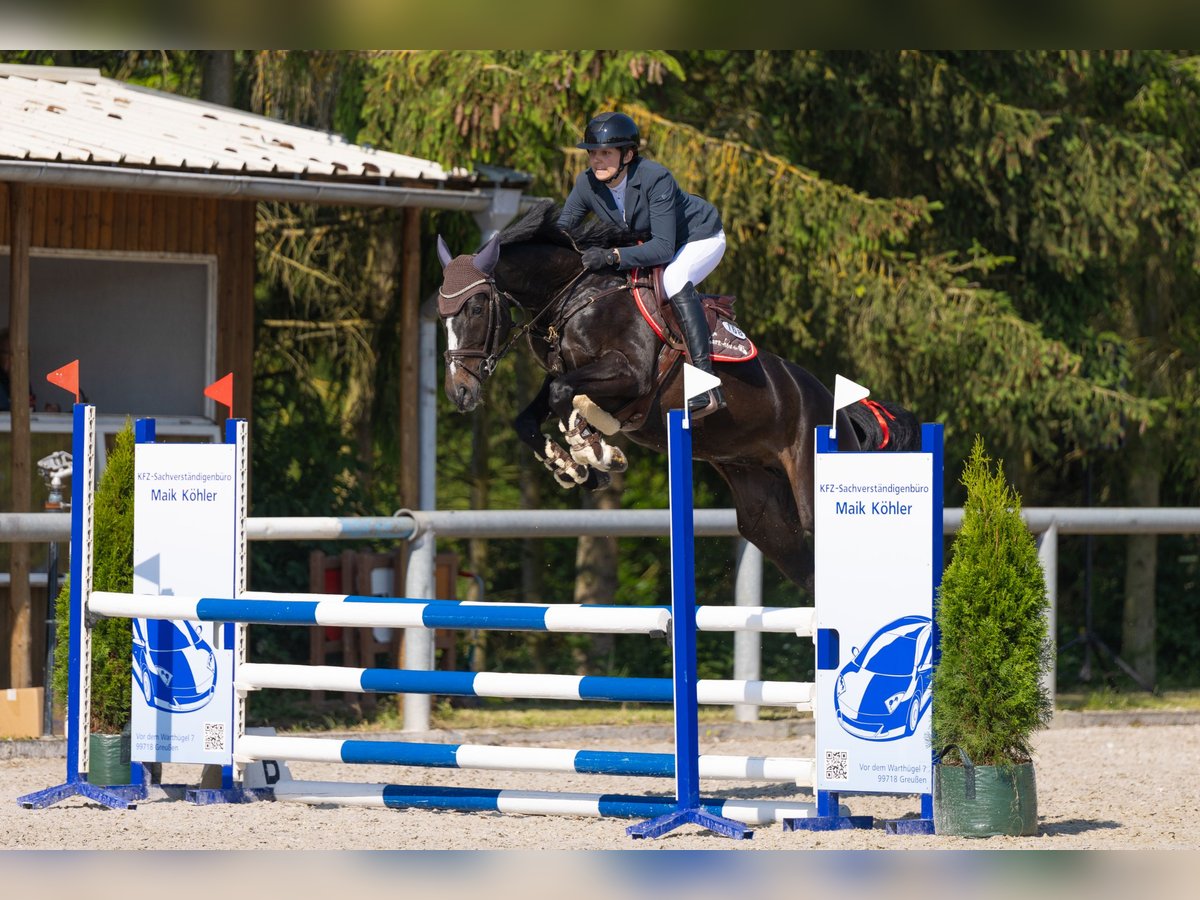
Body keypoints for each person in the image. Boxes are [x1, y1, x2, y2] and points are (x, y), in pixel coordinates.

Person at [558, 112, 728, 417]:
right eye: (593, 153)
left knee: (674, 279)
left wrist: (612, 256)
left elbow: (663, 248)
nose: (597, 160)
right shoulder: (586, 184)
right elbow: (562, 231)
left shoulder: (654, 177)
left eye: (606, 153)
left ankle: (706, 383)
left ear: (628, 155)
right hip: (650, 246)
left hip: (698, 238)